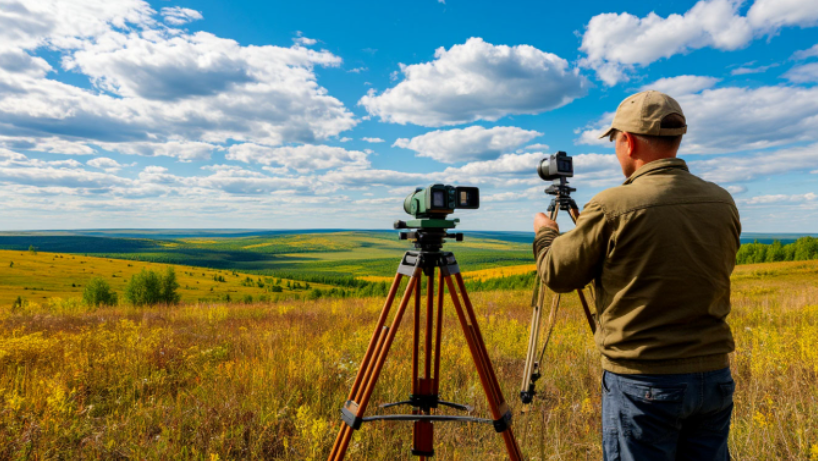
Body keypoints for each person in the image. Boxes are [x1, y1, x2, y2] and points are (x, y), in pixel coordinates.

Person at [532, 91, 741, 461]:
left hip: (644, 379)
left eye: (615, 140)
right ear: (676, 138)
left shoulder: (612, 205)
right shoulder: (722, 200)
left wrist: (546, 232)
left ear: (627, 140)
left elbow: (557, 275)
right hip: (714, 375)